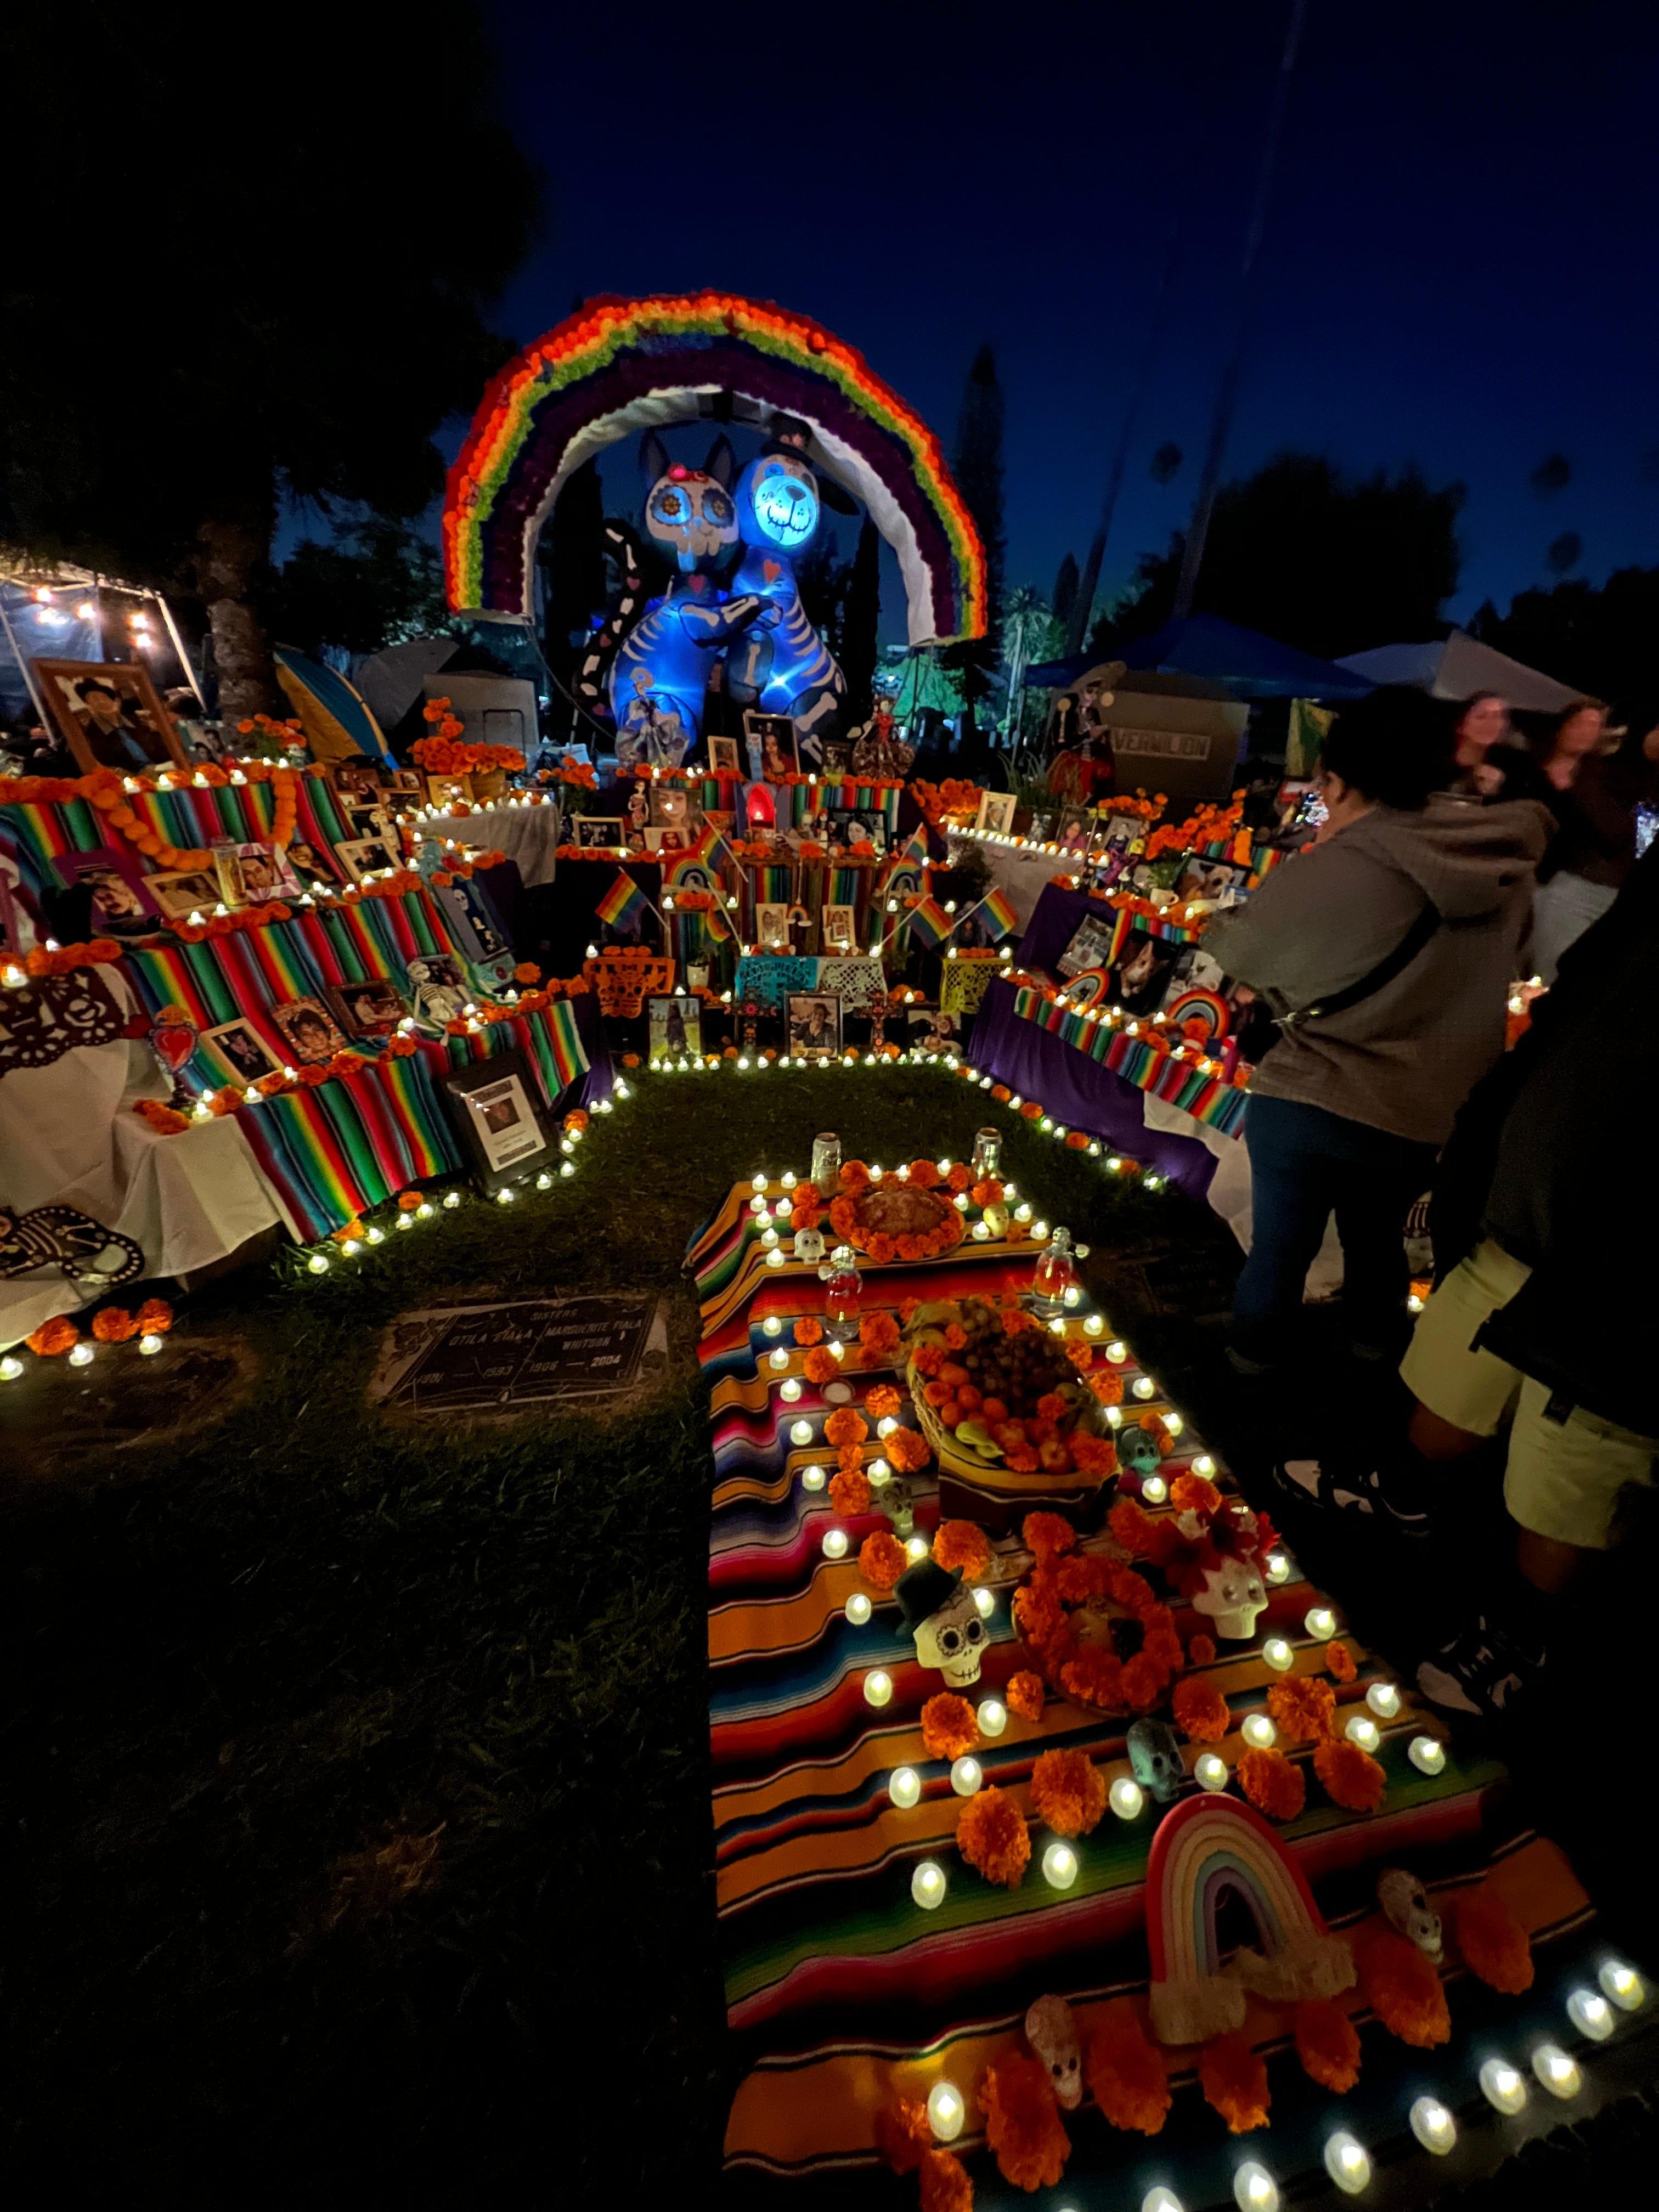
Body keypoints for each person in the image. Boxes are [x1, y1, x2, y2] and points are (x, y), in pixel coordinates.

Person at [1276, 847, 1659, 1718]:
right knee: (1450, 1377)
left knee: (1570, 1477)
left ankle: (1523, 1633)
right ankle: (1403, 1495)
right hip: (1523, 1212)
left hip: (1622, 1281)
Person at [1205, 687, 1552, 1372]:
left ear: (1339, 780)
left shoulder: (1351, 860)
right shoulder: (1502, 860)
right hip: (1421, 1108)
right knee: (1377, 1241)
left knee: (1282, 1244)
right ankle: (1374, 1357)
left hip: (1311, 1091)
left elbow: (1242, 948)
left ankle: (1253, 1362)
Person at [1529, 699, 1659, 979]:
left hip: (1616, 901)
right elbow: (1618, 833)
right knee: (1543, 982)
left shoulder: (1648, 782)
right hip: (1579, 890)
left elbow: (1642, 844)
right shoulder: (1604, 769)